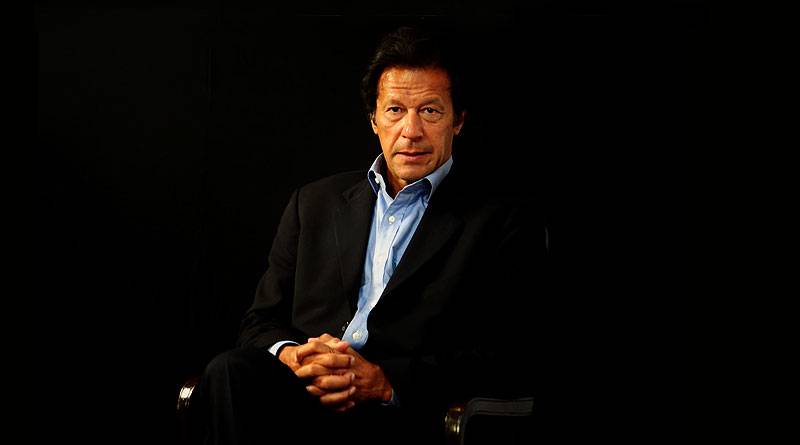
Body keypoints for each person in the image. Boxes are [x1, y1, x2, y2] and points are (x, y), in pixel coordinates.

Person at [190, 25, 545, 445]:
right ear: (374, 119)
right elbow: (259, 322)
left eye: (430, 111)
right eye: (395, 110)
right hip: (303, 394)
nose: (410, 130)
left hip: (399, 413)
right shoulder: (314, 202)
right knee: (228, 372)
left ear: (458, 121)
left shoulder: (501, 220)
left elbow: (509, 354)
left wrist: (384, 381)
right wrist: (293, 355)